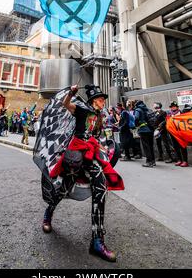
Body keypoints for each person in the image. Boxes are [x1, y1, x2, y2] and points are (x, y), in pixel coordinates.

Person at [41, 84, 124, 262]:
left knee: (101, 188)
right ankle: (49, 213)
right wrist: (71, 93)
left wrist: (100, 144)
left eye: (103, 100)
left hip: (90, 155)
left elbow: (92, 134)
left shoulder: (99, 116)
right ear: (94, 100)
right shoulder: (81, 109)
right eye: (101, 100)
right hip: (76, 155)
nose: (104, 103)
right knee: (63, 189)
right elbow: (65, 104)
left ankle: (97, 240)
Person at [134, 100, 155, 167]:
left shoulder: (138, 109)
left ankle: (148, 162)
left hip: (143, 130)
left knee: (146, 146)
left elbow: (136, 118)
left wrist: (136, 125)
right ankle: (153, 161)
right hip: (150, 130)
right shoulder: (148, 109)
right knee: (151, 146)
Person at [167, 101, 189, 167]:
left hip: (181, 133)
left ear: (177, 107)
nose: (173, 108)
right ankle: (179, 160)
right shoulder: (169, 114)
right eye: (172, 107)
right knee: (176, 147)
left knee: (182, 147)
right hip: (173, 133)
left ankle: (185, 161)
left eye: (174, 106)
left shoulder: (181, 112)